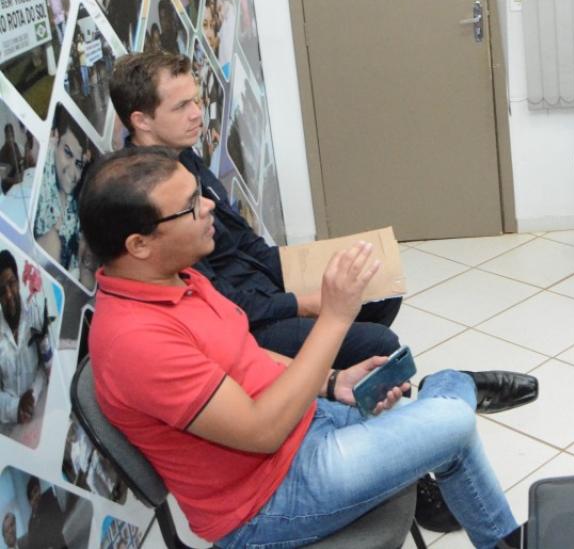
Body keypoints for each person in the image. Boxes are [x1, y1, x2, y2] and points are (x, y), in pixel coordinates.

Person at [83, 148, 532, 547]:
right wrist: (334, 317)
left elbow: (245, 354)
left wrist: (333, 381)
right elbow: (261, 432)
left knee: (448, 424)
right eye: (189, 206)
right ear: (138, 245)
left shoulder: (178, 277)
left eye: (199, 193)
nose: (208, 206)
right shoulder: (135, 342)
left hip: (303, 427)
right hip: (268, 501)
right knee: (453, 419)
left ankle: (500, 530)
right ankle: (453, 388)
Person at [109, 51, 402, 369]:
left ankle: (331, 373)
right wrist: (300, 304)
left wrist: (300, 274)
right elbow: (212, 299)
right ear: (141, 121)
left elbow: (244, 240)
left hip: (256, 283)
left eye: (195, 101)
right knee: (380, 342)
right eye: (181, 107)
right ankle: (321, 379)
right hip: (239, 319)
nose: (196, 114)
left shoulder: (182, 155)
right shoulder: (147, 194)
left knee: (381, 286)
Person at [33, 106, 95, 285]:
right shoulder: (41, 190)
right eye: (67, 153)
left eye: (79, 164)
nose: (73, 173)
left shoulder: (76, 208)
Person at [0, 252, 54, 435]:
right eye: (1, 290)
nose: (8, 295)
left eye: (11, 283)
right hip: (7, 427)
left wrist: (33, 393)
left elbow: (49, 368)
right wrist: (16, 407)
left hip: (39, 415)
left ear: (18, 281)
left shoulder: (36, 314)